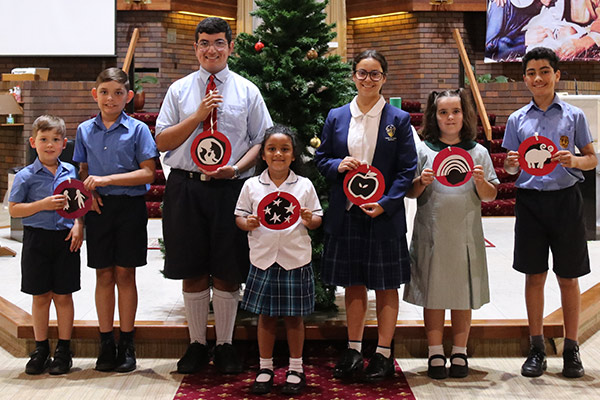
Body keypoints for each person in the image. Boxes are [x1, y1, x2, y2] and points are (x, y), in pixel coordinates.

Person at [155, 17, 272, 375]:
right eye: (204, 42)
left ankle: (224, 345)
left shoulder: (246, 91)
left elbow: (261, 141)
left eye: (219, 42)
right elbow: (163, 141)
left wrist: (235, 170)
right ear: (195, 47)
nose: (212, 49)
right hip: (187, 186)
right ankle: (195, 344)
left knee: (227, 269)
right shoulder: (179, 91)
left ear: (230, 47)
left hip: (230, 187)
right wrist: (198, 115)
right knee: (190, 268)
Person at [315, 49, 417, 382]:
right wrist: (336, 165)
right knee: (354, 284)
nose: (368, 79)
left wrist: (386, 203)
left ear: (384, 78)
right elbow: (321, 158)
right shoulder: (337, 116)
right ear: (353, 76)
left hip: (382, 215)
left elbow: (406, 169)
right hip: (347, 214)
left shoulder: (398, 120)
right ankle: (355, 349)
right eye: (362, 73)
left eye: (375, 74)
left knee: (387, 286)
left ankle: (384, 352)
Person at [503, 47, 597, 378]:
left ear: (556, 75)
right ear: (524, 78)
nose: (538, 78)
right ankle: (536, 347)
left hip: (566, 201)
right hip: (530, 203)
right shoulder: (517, 119)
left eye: (544, 71)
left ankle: (572, 349)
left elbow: (592, 158)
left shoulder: (574, 116)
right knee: (534, 275)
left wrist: (575, 160)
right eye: (531, 72)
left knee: (568, 277)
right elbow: (512, 170)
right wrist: (511, 165)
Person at [403, 89, 499, 379]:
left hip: (465, 236)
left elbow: (491, 195)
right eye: (443, 112)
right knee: (433, 294)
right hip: (431, 233)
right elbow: (410, 190)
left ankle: (459, 351)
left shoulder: (478, 151)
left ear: (464, 114)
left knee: (462, 294)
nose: (450, 117)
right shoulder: (423, 150)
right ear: (434, 116)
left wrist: (481, 182)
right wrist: (421, 181)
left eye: (455, 111)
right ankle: (434, 352)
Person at [73, 67, 158, 373]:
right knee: (103, 275)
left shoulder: (138, 130)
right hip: (100, 210)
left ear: (129, 97)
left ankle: (127, 342)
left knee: (126, 274)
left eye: (118, 93)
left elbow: (148, 172)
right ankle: (106, 341)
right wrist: (89, 190)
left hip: (130, 208)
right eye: (105, 92)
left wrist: (107, 180)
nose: (111, 99)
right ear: (95, 94)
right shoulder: (84, 130)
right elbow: (81, 170)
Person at [235, 125, 323, 395]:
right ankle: (265, 366)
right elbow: (239, 216)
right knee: (266, 317)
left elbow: (318, 218)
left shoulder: (304, 185)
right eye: (272, 149)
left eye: (285, 149)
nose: (278, 154)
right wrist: (246, 222)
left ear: (294, 155)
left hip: (294, 260)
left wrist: (311, 219)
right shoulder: (251, 185)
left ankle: (296, 367)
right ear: (263, 154)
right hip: (263, 259)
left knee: (295, 318)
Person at [8, 115, 83, 375]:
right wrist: (42, 205)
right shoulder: (25, 176)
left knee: (64, 295)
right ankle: (41, 348)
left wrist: (78, 226)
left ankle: (64, 349)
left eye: (55, 140)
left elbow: (78, 205)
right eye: (43, 140)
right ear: (33, 142)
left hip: (65, 240)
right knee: (40, 296)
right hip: (36, 240)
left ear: (64, 144)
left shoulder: (70, 171)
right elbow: (15, 210)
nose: (49, 145)